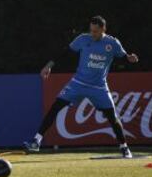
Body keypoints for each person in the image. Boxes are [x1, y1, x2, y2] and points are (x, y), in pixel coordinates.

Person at [24, 16, 139, 158]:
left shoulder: (112, 43)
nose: (93, 34)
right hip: (78, 83)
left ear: (104, 29)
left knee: (112, 118)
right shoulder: (83, 39)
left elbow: (123, 55)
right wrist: (49, 65)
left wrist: (129, 57)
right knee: (56, 106)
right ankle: (36, 140)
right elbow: (66, 52)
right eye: (91, 31)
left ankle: (124, 147)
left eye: (96, 31)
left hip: (99, 87)